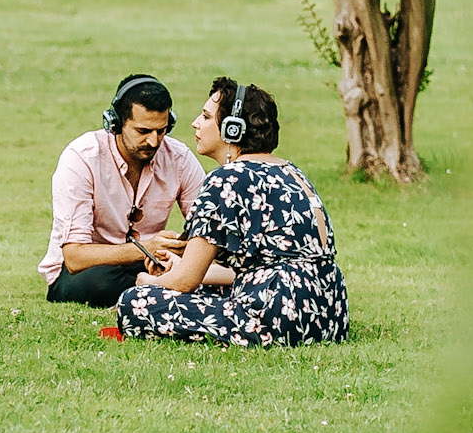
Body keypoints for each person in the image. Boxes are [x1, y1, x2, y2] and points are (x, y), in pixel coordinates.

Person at [116, 78, 349, 347]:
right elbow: (260, 268)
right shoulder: (291, 171)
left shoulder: (225, 179)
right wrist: (180, 266)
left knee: (135, 302)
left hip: (277, 316)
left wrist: (145, 282)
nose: (195, 123)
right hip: (329, 313)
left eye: (205, 117)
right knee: (210, 288)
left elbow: (185, 282)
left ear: (232, 129)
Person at [40, 74, 208, 307]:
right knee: (100, 282)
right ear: (115, 123)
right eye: (143, 131)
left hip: (147, 263)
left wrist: (175, 252)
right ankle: (159, 287)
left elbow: (209, 225)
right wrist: (147, 250)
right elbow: (75, 257)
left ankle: (155, 284)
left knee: (203, 269)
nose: (153, 141)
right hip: (84, 272)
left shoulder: (178, 157)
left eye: (162, 130)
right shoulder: (82, 157)